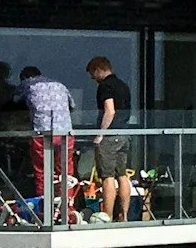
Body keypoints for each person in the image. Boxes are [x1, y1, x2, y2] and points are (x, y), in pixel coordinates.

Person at [16, 64, 74, 224]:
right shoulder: (59, 85)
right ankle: (67, 209)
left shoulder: (28, 84)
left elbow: (11, 102)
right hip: (65, 132)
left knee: (42, 171)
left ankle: (45, 209)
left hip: (43, 133)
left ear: (25, 77)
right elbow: (72, 106)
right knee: (65, 173)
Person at [86, 55, 135, 223]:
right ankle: (124, 216)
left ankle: (105, 217)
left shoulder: (105, 86)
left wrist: (100, 133)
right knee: (122, 175)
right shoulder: (123, 85)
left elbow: (110, 110)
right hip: (124, 134)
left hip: (110, 135)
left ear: (98, 70)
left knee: (107, 176)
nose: (93, 79)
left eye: (93, 74)